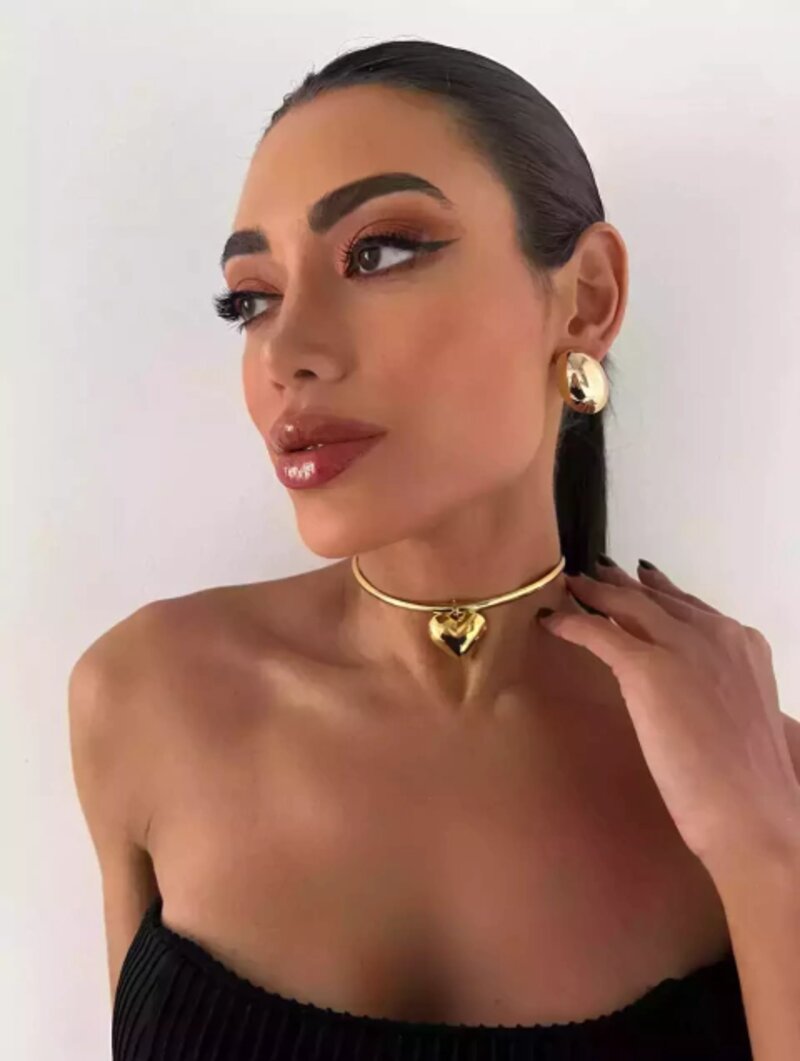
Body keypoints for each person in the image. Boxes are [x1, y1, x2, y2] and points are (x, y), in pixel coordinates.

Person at [69, 38, 752, 1059]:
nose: (286, 352)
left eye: (379, 253)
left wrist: (761, 845)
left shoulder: (756, 773)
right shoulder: (140, 698)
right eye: (251, 299)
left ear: (585, 298)